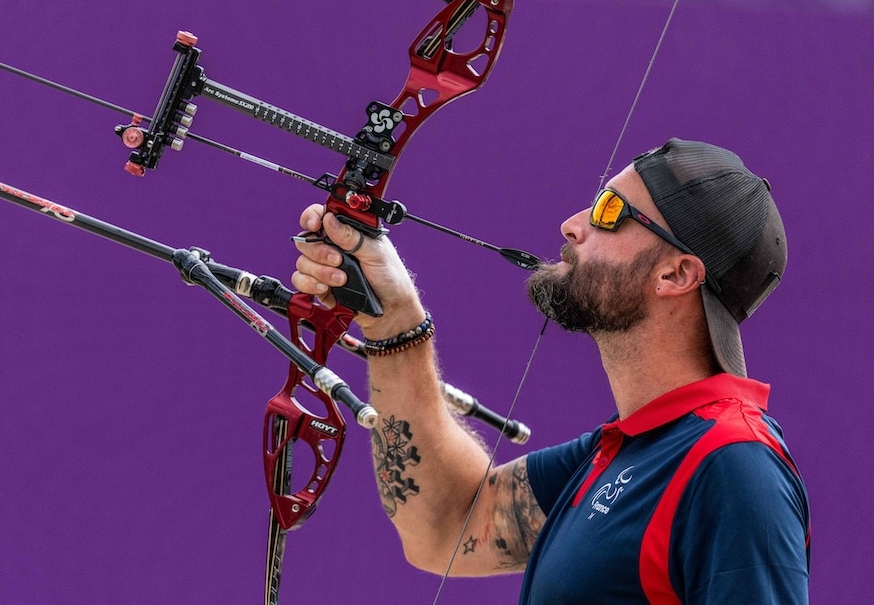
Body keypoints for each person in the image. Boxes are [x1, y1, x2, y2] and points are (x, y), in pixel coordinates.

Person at [292, 138, 810, 603]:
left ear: (675, 273)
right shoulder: (630, 449)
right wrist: (395, 320)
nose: (573, 224)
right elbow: (446, 527)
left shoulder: (733, 467)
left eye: (610, 211)